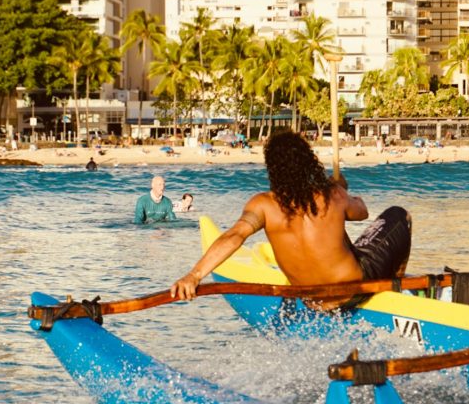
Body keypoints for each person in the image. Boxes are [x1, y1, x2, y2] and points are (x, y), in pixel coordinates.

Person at [171, 131, 412, 310]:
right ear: (309, 162)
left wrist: (194, 275)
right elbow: (362, 212)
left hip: (313, 301)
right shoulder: (332, 194)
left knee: (350, 244)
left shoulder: (263, 205)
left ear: (273, 169)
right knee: (399, 215)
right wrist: (342, 190)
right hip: (352, 291)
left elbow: (235, 236)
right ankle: (394, 291)